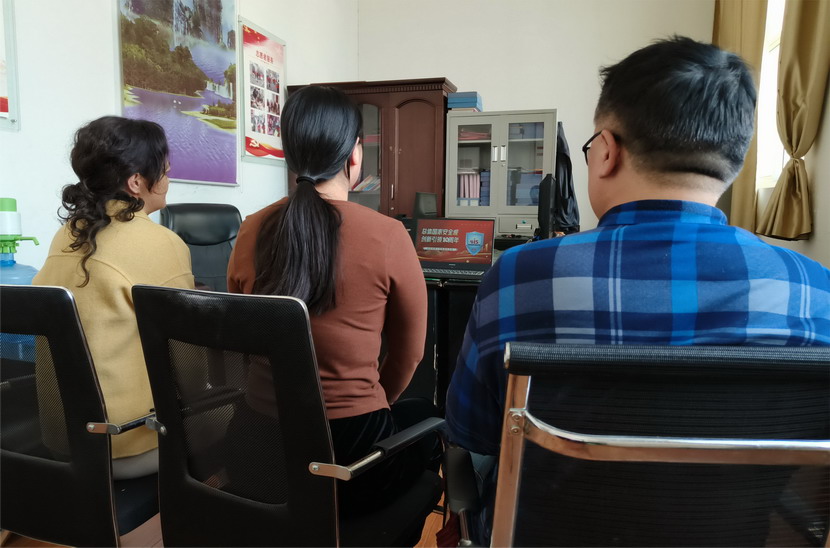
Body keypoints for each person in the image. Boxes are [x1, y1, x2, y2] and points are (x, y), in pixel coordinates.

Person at [445, 35, 830, 543]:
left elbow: (471, 436)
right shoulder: (815, 291)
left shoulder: (520, 276)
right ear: (733, 160)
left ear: (606, 151)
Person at [226, 86, 437, 520]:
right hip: (350, 462)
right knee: (427, 420)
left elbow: (240, 338)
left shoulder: (250, 229)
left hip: (257, 452)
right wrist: (373, 404)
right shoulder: (388, 235)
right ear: (354, 156)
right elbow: (410, 355)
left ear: (290, 155)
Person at [34, 115, 195, 478]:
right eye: (164, 170)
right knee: (241, 420)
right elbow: (189, 362)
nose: (168, 178)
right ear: (137, 181)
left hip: (60, 440)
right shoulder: (162, 244)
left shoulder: (66, 234)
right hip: (127, 446)